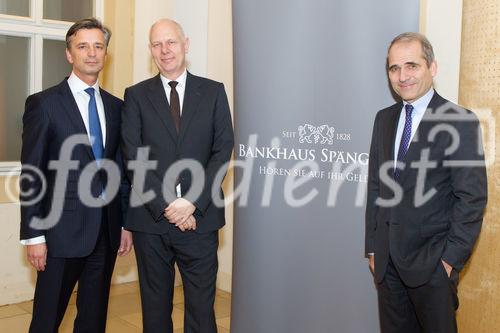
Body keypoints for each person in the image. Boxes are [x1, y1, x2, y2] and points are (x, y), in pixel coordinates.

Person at [365, 32, 487, 333]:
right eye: (394, 68)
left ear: (432, 67)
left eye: (412, 66)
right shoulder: (384, 119)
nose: (402, 76)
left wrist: (448, 262)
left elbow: (471, 198)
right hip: (387, 265)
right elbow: (376, 187)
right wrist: (372, 247)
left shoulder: (460, 121)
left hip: (433, 266)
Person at [20, 18, 133, 333]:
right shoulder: (44, 105)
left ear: (106, 53)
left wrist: (124, 222)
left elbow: (119, 171)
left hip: (105, 234)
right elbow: (33, 173)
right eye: (83, 46)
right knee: (47, 319)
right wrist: (33, 236)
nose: (92, 53)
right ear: (70, 54)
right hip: (59, 234)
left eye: (98, 46)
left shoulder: (116, 107)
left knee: (93, 319)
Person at [121, 18, 234, 333]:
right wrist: (170, 205)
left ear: (186, 45)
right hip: (151, 221)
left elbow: (222, 150)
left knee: (201, 311)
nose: (164, 50)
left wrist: (191, 202)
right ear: (150, 50)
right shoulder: (136, 96)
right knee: (155, 311)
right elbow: (134, 156)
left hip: (200, 219)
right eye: (157, 44)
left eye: (170, 42)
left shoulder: (213, 92)